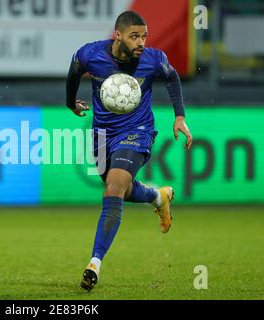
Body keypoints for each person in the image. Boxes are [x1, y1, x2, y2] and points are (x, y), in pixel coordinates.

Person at [66, 11, 193, 291]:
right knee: (119, 189)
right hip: (101, 134)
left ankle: (94, 263)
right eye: (135, 36)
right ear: (118, 35)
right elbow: (74, 71)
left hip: (137, 131)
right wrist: (69, 102)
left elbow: (172, 78)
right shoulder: (91, 55)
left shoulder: (153, 59)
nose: (141, 42)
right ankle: (157, 197)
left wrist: (180, 116)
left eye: (144, 36)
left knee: (113, 189)